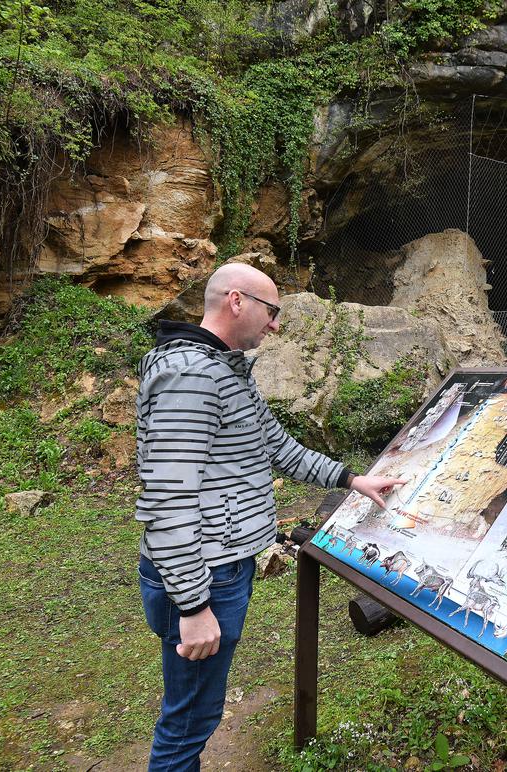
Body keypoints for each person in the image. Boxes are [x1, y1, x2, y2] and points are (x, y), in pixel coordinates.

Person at [135, 263, 403, 770]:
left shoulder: (223, 369)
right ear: (237, 302)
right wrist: (193, 608)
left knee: (194, 714)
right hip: (202, 576)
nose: (275, 324)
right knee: (188, 722)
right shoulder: (192, 376)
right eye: (272, 311)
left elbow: (278, 447)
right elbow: (168, 497)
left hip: (221, 567)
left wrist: (352, 480)